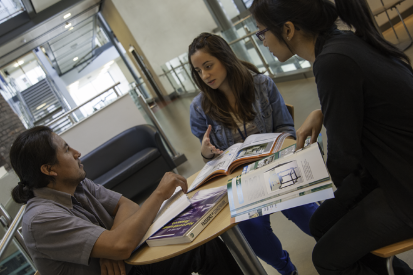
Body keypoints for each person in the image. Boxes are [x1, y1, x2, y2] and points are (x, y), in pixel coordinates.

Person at [250, 0, 413, 274]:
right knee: (319, 224)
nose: (263, 41)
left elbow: (344, 158)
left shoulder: (331, 62)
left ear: (288, 29)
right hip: (395, 169)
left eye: (261, 33)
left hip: (402, 184)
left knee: (326, 258)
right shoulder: (340, 43)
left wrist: (291, 182)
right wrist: (323, 111)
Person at [10, 126, 243, 275]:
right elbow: (121, 245)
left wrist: (107, 247)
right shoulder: (41, 220)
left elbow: (128, 206)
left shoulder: (77, 184)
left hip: (128, 266)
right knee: (201, 248)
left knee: (201, 244)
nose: (77, 154)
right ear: (49, 169)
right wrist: (159, 193)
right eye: (66, 150)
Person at [188, 33, 319, 275]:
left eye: (208, 66)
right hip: (242, 181)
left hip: (275, 168)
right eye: (198, 71)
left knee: (307, 214)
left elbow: (285, 128)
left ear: (225, 59)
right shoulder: (199, 108)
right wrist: (206, 154)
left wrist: (274, 151)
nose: (205, 75)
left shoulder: (261, 84)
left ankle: (339, 249)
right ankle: (286, 270)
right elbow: (213, 159)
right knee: (253, 232)